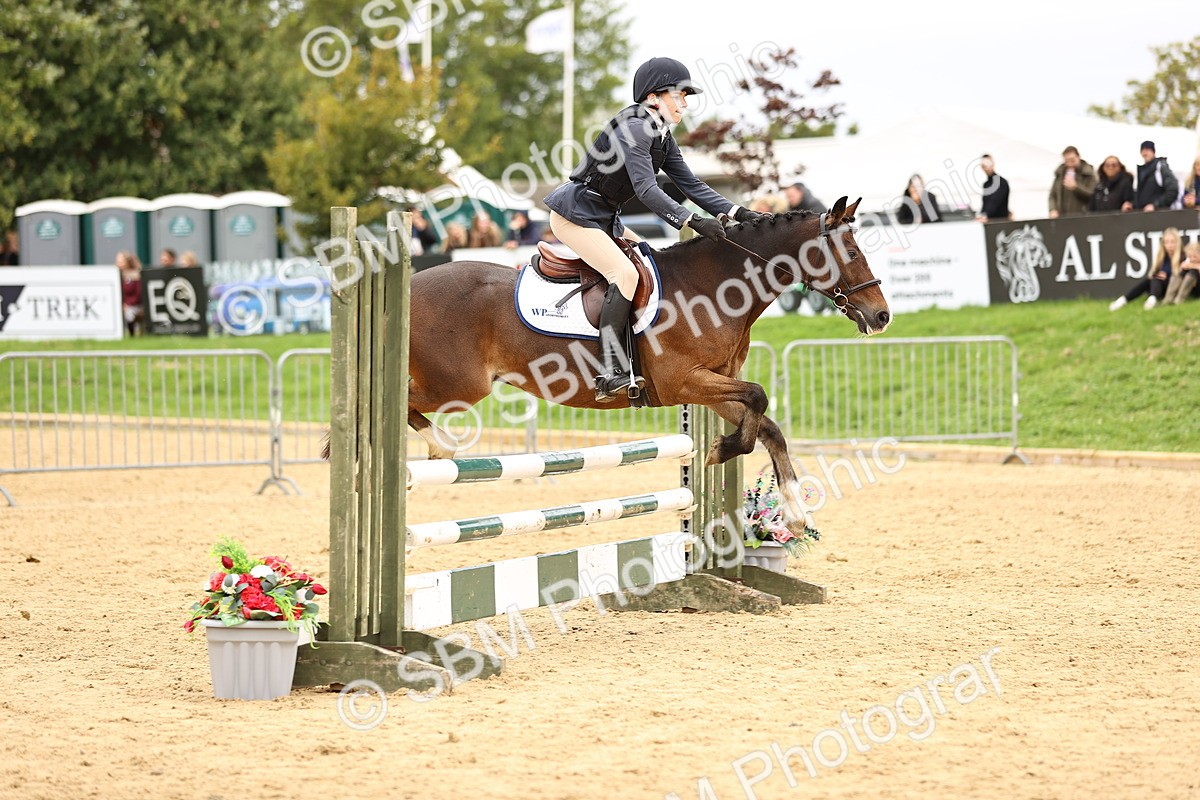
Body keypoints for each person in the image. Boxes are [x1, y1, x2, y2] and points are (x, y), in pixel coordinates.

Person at [542, 56, 764, 402]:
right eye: (681, 94)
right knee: (625, 276)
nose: (686, 103)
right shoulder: (635, 128)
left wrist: (740, 213)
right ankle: (612, 370)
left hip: (604, 217)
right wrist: (690, 221)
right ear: (653, 97)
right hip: (576, 213)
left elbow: (690, 184)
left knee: (651, 259)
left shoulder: (661, 133)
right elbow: (647, 189)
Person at [1109, 227, 1182, 310]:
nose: (1170, 245)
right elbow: (1155, 272)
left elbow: (1180, 276)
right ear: (1163, 244)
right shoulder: (1162, 257)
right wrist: (1158, 275)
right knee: (1151, 279)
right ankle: (1124, 300)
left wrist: (1166, 276)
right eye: (1167, 242)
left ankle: (1150, 300)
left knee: (1155, 278)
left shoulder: (1182, 257)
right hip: (1159, 286)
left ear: (1178, 243)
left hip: (1173, 288)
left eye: (1172, 242)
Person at [1048, 146, 1097, 218]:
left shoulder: (1089, 174)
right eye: (1067, 161)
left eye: (1072, 160)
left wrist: (1076, 188)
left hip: (1082, 217)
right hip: (1062, 218)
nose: (1070, 163)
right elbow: (1052, 195)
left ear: (1078, 157)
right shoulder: (1060, 174)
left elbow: (1093, 196)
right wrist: (1053, 209)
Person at [1132, 141, 1179, 212]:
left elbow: (1173, 189)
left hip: (1159, 215)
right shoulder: (1140, 171)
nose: (1145, 153)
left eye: (1147, 150)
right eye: (1143, 151)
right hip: (1142, 215)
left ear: (1153, 152)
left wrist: (1156, 205)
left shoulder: (1160, 167)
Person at [976, 155, 1011, 221]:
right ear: (982, 167)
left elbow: (995, 202)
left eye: (989, 164)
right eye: (984, 166)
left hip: (1000, 222)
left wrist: (985, 215)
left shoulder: (1001, 182)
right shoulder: (986, 184)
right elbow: (985, 204)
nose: (987, 168)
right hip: (989, 222)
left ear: (993, 164)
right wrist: (981, 215)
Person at [117, 251, 143, 336]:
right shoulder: (116, 275)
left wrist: (127, 304)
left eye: (121, 261)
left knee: (129, 313)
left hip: (134, 305)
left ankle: (133, 333)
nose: (119, 263)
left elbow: (139, 293)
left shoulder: (135, 275)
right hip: (123, 304)